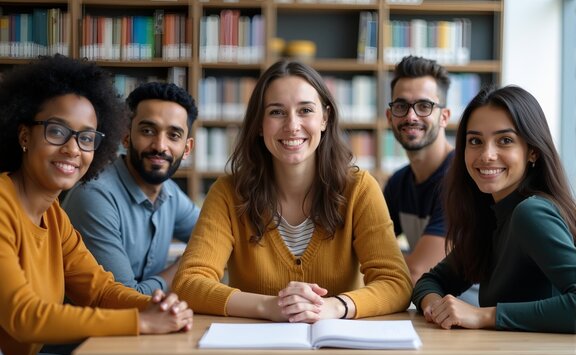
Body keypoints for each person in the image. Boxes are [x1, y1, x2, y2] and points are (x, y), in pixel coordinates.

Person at [172, 60, 412, 323]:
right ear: (259, 125)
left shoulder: (360, 189)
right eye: (276, 112)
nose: (292, 125)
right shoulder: (228, 193)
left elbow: (396, 283)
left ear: (325, 118)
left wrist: (333, 307)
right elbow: (188, 283)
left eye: (305, 110)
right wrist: (269, 306)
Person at [0, 55, 193, 355]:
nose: (73, 148)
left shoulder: (53, 216)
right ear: (25, 135)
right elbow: (24, 317)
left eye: (86, 137)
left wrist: (156, 306)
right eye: (57, 131)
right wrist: (142, 321)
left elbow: (100, 290)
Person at [412, 85, 576, 333]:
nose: (487, 155)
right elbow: (430, 281)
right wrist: (436, 306)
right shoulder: (489, 216)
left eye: (505, 141)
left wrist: (483, 316)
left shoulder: (530, 213)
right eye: (475, 141)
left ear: (532, 151)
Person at [61, 82, 200, 295]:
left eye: (173, 135)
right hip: (93, 327)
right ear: (126, 136)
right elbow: (126, 297)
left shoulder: (169, 192)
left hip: (149, 324)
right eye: (147, 131)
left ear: (187, 148)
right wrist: (186, 266)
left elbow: (216, 234)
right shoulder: (94, 196)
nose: (160, 146)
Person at [383, 55, 454, 286]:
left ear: (444, 117)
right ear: (389, 116)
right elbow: (363, 250)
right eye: (401, 106)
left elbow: (416, 272)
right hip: (429, 311)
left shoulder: (461, 180)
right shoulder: (399, 182)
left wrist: (382, 261)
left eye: (424, 106)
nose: (411, 116)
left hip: (475, 315)